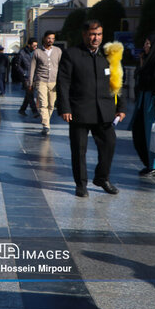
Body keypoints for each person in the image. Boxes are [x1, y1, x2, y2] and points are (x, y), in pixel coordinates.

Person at [57, 20, 126, 197]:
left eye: (99, 35)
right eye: (92, 34)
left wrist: (121, 107)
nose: (96, 38)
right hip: (79, 110)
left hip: (105, 110)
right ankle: (81, 184)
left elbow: (117, 82)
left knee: (109, 144)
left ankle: (102, 178)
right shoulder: (72, 54)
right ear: (85, 35)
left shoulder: (109, 55)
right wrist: (65, 108)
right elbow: (63, 83)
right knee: (79, 150)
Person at [131, 34, 155, 178]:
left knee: (154, 133)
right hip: (145, 99)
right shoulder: (149, 61)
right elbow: (140, 78)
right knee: (142, 131)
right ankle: (149, 163)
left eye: (148, 44)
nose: (145, 46)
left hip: (154, 102)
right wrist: (141, 62)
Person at [29, 30, 62, 135]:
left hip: (54, 81)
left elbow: (62, 67)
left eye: (53, 38)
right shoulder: (37, 52)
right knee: (43, 103)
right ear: (44, 38)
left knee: (51, 105)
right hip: (41, 80)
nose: (51, 40)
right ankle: (46, 125)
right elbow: (32, 69)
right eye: (49, 38)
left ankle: (46, 120)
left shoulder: (58, 51)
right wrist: (30, 83)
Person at [17, 38, 39, 117]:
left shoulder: (37, 52)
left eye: (36, 45)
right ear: (29, 45)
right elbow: (18, 65)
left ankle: (22, 109)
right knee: (30, 93)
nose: (35, 47)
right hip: (26, 77)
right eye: (33, 46)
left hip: (35, 76)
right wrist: (24, 73)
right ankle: (34, 111)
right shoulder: (22, 53)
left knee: (29, 94)